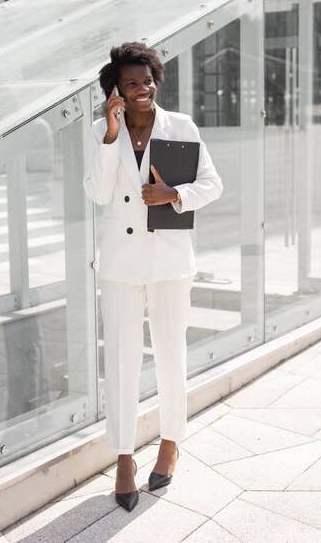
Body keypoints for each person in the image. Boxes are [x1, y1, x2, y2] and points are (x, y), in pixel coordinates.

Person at [83, 42, 223, 512]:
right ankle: (124, 456)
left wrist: (173, 194)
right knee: (122, 361)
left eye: (147, 80)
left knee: (169, 354)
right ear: (115, 92)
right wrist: (110, 135)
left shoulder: (180, 125)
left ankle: (169, 444)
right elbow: (100, 194)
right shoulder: (105, 131)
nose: (142, 89)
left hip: (169, 260)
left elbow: (212, 184)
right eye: (131, 83)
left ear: (156, 80)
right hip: (121, 264)